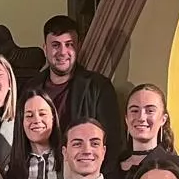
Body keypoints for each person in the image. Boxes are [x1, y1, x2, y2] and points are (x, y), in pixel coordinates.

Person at [33, 15, 121, 152]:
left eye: (69, 45)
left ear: (78, 47)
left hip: (84, 170)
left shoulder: (99, 88)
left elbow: (112, 143)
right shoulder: (30, 88)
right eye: (55, 45)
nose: (62, 52)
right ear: (45, 49)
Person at [106, 84, 179, 179]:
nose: (141, 117)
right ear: (126, 119)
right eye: (134, 110)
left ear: (163, 119)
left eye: (150, 111)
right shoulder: (109, 167)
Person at [6, 91, 61, 179]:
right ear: (21, 122)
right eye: (29, 116)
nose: (36, 120)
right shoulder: (10, 170)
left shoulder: (69, 162)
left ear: (53, 118)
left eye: (42, 114)